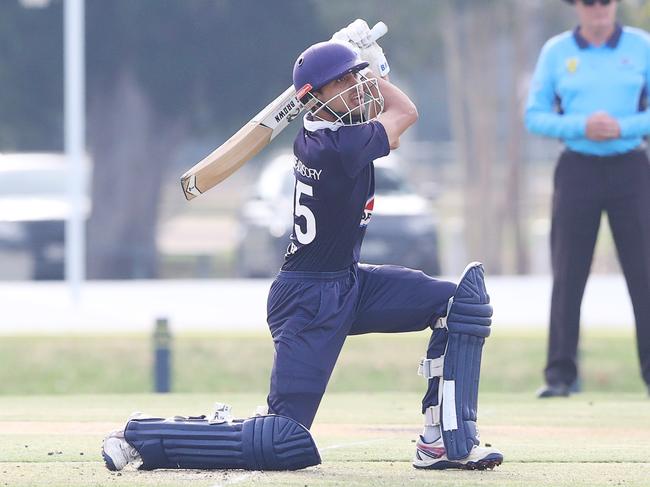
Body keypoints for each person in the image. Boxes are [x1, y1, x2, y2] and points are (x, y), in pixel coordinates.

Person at [101, 19, 503, 472]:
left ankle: (442, 442)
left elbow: (381, 108)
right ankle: (142, 436)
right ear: (313, 98)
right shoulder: (338, 145)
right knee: (283, 439)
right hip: (307, 299)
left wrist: (361, 63)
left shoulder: (329, 128)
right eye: (344, 82)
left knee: (460, 305)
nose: (356, 88)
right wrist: (373, 67)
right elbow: (405, 112)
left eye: (356, 77)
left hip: (349, 284)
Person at [525, 0, 650, 398]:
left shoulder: (641, 47)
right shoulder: (557, 52)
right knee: (568, 272)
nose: (599, 9)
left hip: (631, 167)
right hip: (577, 167)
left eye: (606, 1)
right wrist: (582, 126)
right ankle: (560, 375)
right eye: (590, 2)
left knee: (644, 272)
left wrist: (622, 126)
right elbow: (535, 114)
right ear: (577, 7)